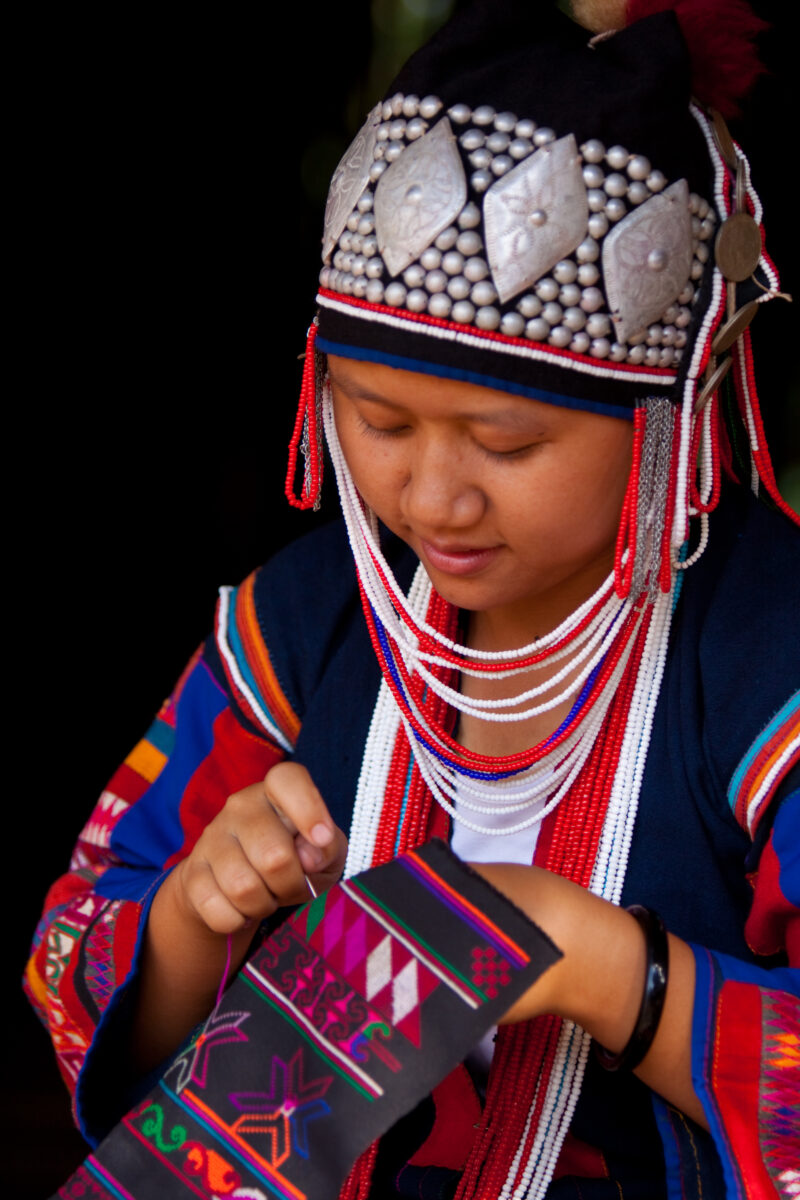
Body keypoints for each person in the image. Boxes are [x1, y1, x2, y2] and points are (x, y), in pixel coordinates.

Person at [26, 2, 798, 1197]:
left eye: (504, 440)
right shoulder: (310, 621)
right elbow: (80, 945)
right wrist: (192, 919)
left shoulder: (767, 662)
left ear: (667, 417)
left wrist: (593, 960)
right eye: (376, 420)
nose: (432, 497)